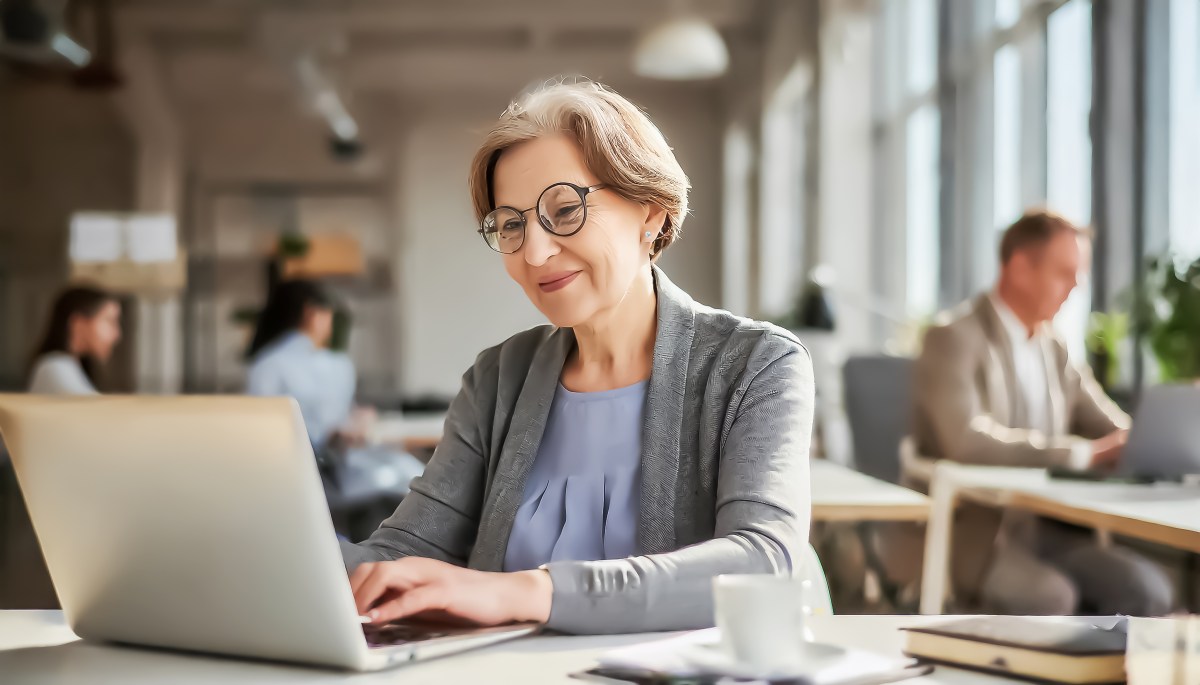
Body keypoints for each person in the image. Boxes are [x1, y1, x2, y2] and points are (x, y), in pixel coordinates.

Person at [341, 81, 815, 636]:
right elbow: (404, 551)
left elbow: (761, 562)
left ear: (651, 214)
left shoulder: (756, 365)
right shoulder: (498, 379)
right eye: (512, 225)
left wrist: (529, 591)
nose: (535, 253)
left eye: (564, 210)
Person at [912, 209, 1173, 616]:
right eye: (1064, 272)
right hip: (982, 535)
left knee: (1148, 591)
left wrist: (1155, 439)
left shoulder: (1056, 348)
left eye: (1079, 273)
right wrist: (1083, 454)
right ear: (1019, 267)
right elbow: (965, 439)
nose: (1076, 285)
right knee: (1052, 597)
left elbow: (1109, 424)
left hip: (1054, 530)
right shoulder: (953, 337)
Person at [245, 279, 423, 497]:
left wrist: (349, 418)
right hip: (321, 472)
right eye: (329, 315)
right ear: (312, 314)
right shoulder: (334, 364)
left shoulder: (265, 363)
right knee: (411, 477)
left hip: (299, 471)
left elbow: (261, 430)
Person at [27, 285, 122, 395]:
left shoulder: (72, 367)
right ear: (78, 324)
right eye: (109, 321)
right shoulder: (53, 366)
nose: (117, 334)